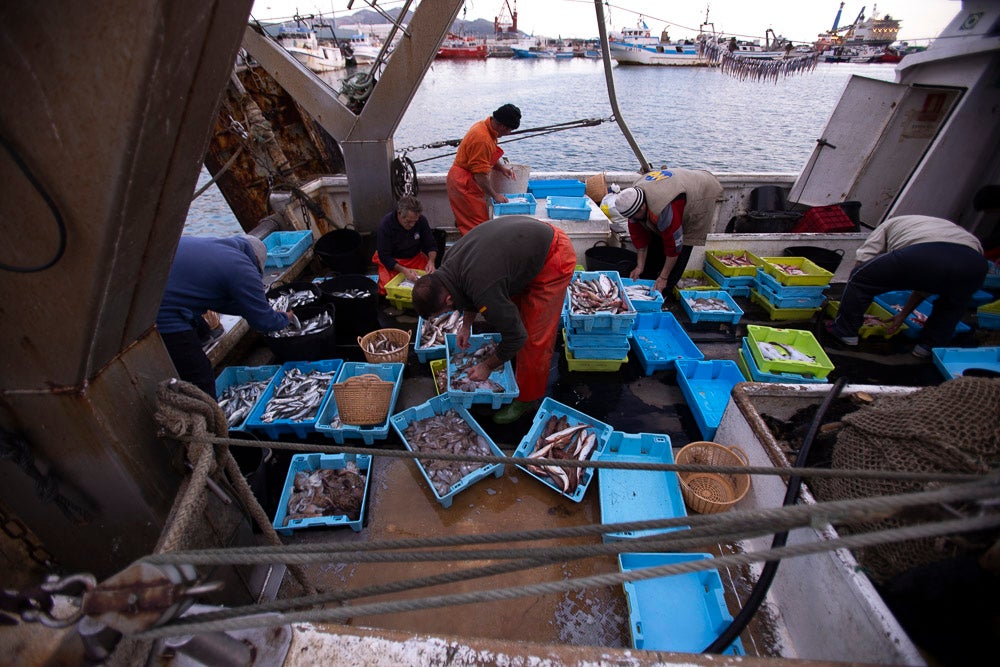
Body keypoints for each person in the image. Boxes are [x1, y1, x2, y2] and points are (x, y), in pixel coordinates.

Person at [411, 216, 577, 423]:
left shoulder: (482, 286)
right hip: (524, 246)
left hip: (553, 255)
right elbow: (465, 290)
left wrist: (488, 366)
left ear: (448, 300)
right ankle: (518, 366)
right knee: (512, 314)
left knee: (533, 339)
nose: (448, 312)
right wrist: (466, 325)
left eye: (444, 311)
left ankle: (527, 399)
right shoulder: (447, 266)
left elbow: (517, 336)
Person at [826, 215, 988, 358]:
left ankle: (845, 332)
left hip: (923, 253)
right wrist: (903, 315)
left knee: (860, 278)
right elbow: (925, 285)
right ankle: (926, 348)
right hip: (974, 264)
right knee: (952, 306)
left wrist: (852, 298)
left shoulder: (888, 225)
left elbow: (863, 262)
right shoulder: (948, 230)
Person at [157, 234, 292, 396]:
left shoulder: (219, 248)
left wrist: (252, 309)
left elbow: (215, 297)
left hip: (150, 287)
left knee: (200, 322)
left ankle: (203, 336)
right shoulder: (242, 267)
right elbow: (263, 323)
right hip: (161, 312)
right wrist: (286, 317)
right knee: (200, 376)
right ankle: (206, 411)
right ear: (256, 259)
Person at [616, 168, 724, 295]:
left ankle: (666, 290)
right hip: (675, 185)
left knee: (682, 247)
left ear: (642, 207)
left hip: (701, 193)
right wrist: (639, 267)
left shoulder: (664, 210)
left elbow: (674, 247)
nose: (633, 219)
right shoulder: (632, 204)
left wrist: (663, 277)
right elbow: (641, 242)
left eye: (635, 216)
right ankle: (652, 282)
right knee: (657, 242)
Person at [446, 103, 522, 236]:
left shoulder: (485, 127)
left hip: (466, 179)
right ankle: (472, 248)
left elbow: (487, 156)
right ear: (502, 126)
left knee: (474, 224)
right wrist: (495, 195)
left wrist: (501, 169)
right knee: (477, 227)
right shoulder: (482, 139)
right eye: (509, 130)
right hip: (463, 183)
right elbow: (480, 175)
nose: (509, 133)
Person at [372, 195, 437, 296]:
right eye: (408, 221)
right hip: (393, 261)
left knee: (430, 283)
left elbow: (431, 244)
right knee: (385, 289)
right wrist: (403, 270)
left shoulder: (421, 221)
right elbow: (384, 256)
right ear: (399, 213)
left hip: (415, 258)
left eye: (415, 221)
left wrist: (431, 261)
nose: (412, 225)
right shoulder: (386, 225)